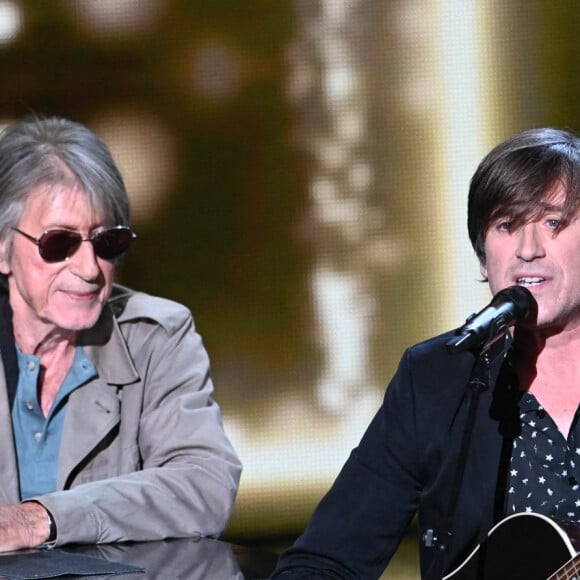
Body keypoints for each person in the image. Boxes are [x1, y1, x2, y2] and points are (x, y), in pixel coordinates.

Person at [271, 127, 580, 579]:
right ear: (482, 256)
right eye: (506, 225)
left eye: (553, 222)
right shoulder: (438, 378)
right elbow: (324, 561)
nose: (528, 250)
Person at [0, 115, 241, 551]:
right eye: (60, 244)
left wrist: (40, 519)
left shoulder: (157, 337)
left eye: (107, 242)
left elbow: (205, 485)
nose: (90, 269)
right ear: (2, 249)